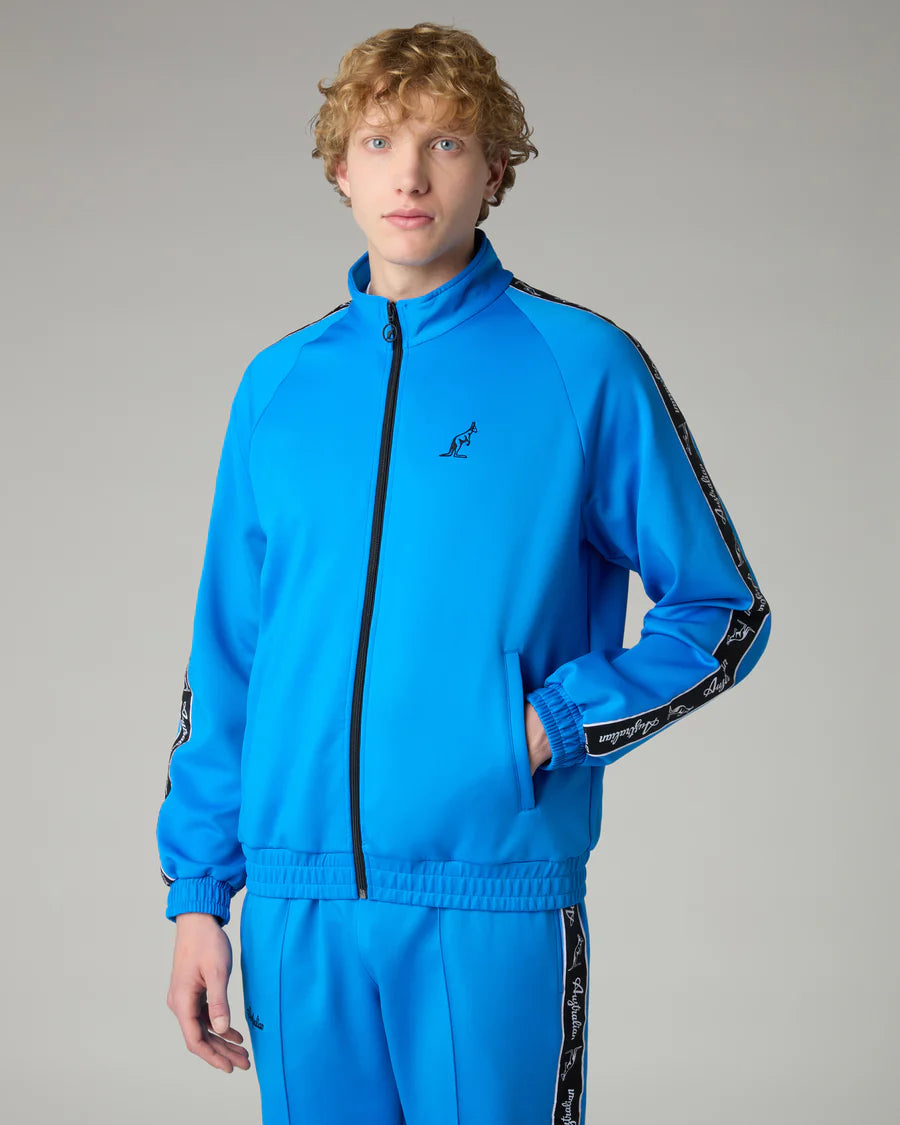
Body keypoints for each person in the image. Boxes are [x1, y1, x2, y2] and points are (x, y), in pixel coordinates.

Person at [156, 21, 772, 1125]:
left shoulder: (581, 365)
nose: (409, 174)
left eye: (445, 143)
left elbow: (722, 612)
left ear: (494, 172)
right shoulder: (278, 387)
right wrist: (200, 896)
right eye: (380, 141)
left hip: (489, 894)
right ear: (339, 169)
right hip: (296, 910)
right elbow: (231, 656)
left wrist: (549, 725)